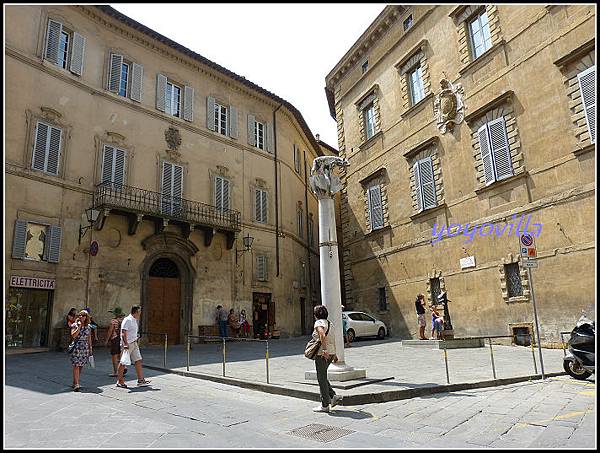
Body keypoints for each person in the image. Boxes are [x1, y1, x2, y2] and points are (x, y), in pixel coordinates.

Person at [312, 305, 343, 413]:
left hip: (322, 354)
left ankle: (325, 405)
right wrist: (334, 354)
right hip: (331, 352)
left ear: (316, 315)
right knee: (323, 376)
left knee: (321, 378)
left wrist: (324, 350)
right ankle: (333, 396)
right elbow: (333, 339)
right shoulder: (330, 324)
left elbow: (322, 335)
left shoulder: (319, 323)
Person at [116, 305, 151, 388]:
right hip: (128, 344)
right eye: (139, 312)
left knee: (138, 360)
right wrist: (125, 344)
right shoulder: (127, 320)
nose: (140, 314)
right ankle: (120, 381)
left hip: (134, 343)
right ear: (136, 312)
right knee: (123, 362)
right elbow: (123, 332)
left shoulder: (134, 320)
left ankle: (140, 380)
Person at [69, 309, 93, 392]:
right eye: (80, 315)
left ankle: (75, 381)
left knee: (81, 365)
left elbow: (89, 338)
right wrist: (79, 327)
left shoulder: (88, 327)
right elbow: (73, 335)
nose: (81, 316)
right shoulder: (75, 325)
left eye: (83, 315)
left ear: (86, 317)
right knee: (76, 365)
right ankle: (76, 384)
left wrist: (90, 349)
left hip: (84, 347)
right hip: (77, 347)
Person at [105, 307, 127, 377]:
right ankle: (123, 368)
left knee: (114, 356)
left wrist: (107, 340)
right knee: (120, 355)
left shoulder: (113, 321)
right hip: (122, 339)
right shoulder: (123, 320)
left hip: (115, 339)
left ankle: (116, 372)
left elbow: (110, 331)